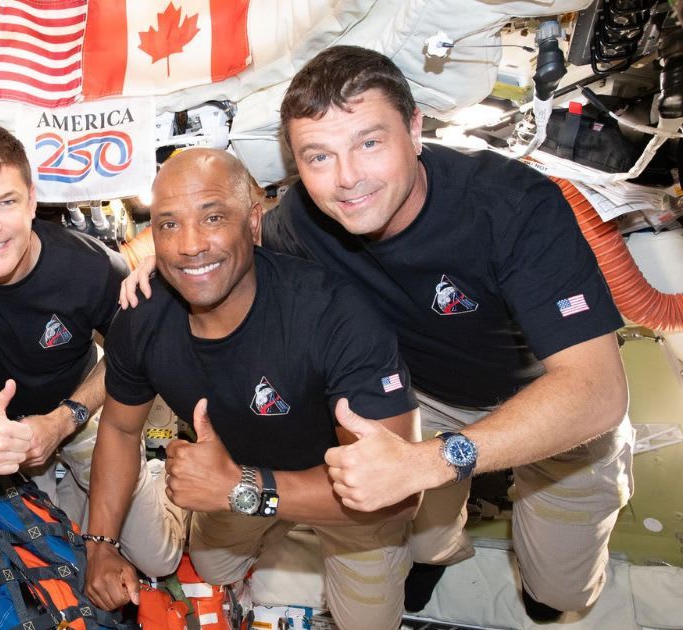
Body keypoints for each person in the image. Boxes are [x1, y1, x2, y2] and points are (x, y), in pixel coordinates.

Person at [121, 46, 632, 622]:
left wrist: (436, 461)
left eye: (369, 142)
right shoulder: (302, 221)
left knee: (561, 594)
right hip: (423, 399)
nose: (347, 179)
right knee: (415, 533)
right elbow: (223, 235)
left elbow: (597, 390)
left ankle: (534, 571)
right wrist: (160, 260)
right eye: (319, 156)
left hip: (549, 398)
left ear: (415, 130)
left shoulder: (509, 206)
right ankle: (438, 550)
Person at [88, 148, 420, 630]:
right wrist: (101, 543)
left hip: (349, 496)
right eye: (169, 225)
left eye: (214, 217)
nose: (190, 246)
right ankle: (281, 529)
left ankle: (399, 550)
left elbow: (398, 495)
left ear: (254, 223)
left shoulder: (335, 316)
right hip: (241, 476)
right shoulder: (142, 319)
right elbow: (118, 428)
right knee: (212, 568)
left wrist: (243, 490)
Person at [0, 123, 181, 575]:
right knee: (42, 555)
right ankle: (64, 486)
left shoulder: (91, 267)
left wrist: (63, 420)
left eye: (5, 202)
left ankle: (149, 472)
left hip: (77, 406)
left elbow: (127, 358)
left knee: (158, 561)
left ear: (31, 202)